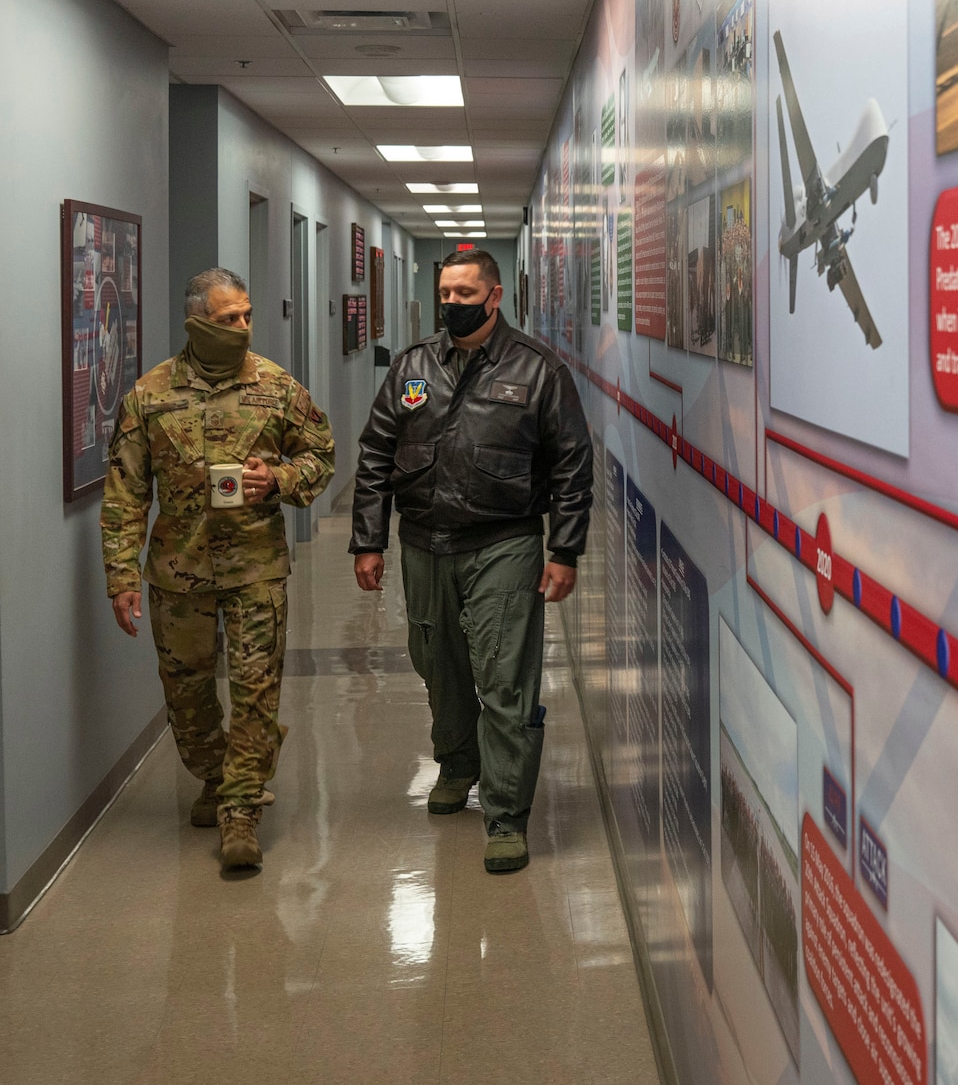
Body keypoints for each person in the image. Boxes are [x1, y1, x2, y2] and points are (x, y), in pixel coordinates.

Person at [349, 248, 591, 874]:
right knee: (438, 661)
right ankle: (456, 764)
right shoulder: (412, 366)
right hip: (423, 541)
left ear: (495, 295)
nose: (452, 303)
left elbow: (571, 464)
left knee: (503, 674)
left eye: (464, 293)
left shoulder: (538, 370)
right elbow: (376, 452)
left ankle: (506, 814)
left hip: (503, 540)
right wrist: (368, 539)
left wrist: (564, 548)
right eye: (445, 294)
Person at [101, 268, 336, 872]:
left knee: (257, 691)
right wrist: (121, 576)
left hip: (256, 567)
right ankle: (216, 775)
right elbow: (125, 494)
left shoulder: (276, 388)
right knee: (188, 699)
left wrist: (277, 480)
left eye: (247, 315)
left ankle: (240, 810)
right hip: (177, 575)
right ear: (197, 323)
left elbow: (322, 455)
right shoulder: (150, 395)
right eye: (228, 318)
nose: (242, 327)